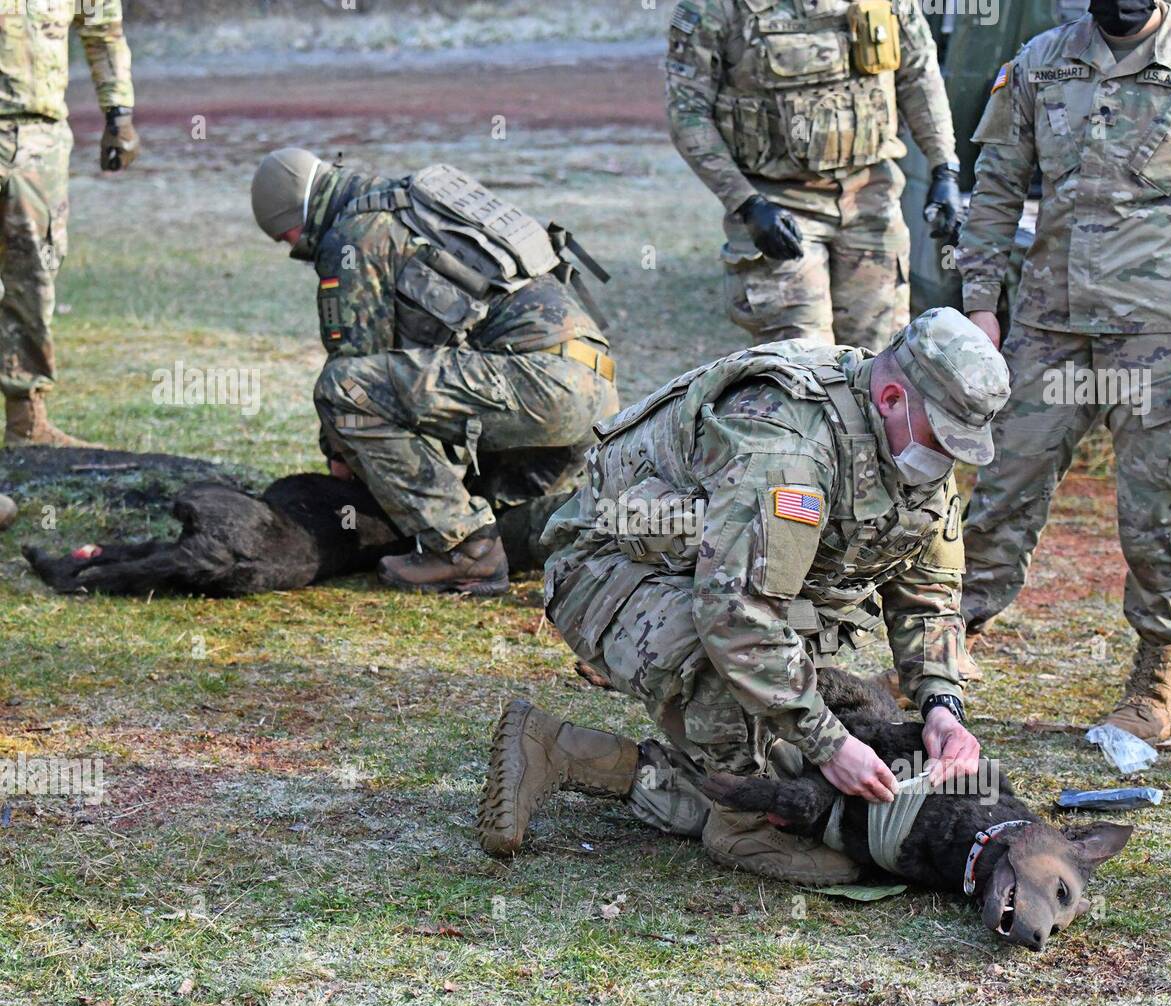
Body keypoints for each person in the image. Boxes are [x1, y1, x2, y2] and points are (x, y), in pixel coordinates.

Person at [477, 308, 1010, 884]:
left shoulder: (912, 444)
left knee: (800, 764)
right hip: (615, 574)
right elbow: (737, 615)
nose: (948, 460)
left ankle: (561, 748)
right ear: (889, 397)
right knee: (778, 728)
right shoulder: (787, 446)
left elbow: (929, 593)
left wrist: (941, 706)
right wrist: (831, 745)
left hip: (733, 592)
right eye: (942, 438)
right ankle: (741, 824)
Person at [956, 0, 1171, 740]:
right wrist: (981, 304)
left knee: (1157, 509)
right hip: (1050, 327)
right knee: (1002, 486)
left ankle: (1153, 684)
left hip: (1165, 337)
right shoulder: (1039, 64)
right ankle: (947, 652)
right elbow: (997, 189)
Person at [251, 150, 620, 595]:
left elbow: (355, 363)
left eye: (284, 235)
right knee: (506, 521)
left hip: (536, 387)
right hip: (593, 389)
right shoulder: (417, 204)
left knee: (343, 389)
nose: (291, 246)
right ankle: (610, 530)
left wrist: (340, 453)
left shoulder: (355, 233)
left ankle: (465, 553)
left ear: (298, 212)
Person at [664, 0, 962, 352]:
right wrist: (746, 203)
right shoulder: (718, 7)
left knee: (879, 360)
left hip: (871, 199)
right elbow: (687, 112)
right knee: (803, 365)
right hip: (779, 208)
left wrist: (944, 168)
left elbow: (919, 74)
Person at [2, 0, 138, 447]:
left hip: (40, 140)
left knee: (34, 275)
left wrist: (119, 113)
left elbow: (104, 34)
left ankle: (26, 421)